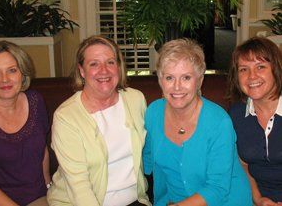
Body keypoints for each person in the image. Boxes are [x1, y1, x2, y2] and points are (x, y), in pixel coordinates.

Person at [143, 38, 252, 206]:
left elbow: (218, 188)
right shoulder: (153, 113)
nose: (177, 87)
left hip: (223, 201)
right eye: (169, 77)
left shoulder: (219, 122)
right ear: (160, 80)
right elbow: (145, 161)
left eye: (186, 77)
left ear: (199, 81)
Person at [47, 35, 151, 206]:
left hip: (135, 200)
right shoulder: (66, 117)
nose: (104, 70)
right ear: (81, 70)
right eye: (94, 64)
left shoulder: (135, 99)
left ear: (118, 66)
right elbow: (79, 187)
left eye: (110, 62)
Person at [0, 41, 51, 206]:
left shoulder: (35, 101)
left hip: (39, 197)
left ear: (22, 73)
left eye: (12, 70)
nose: (5, 80)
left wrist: (49, 188)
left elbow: (42, 150)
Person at [227, 37, 282, 206]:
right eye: (244, 69)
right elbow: (242, 164)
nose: (252, 76)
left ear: (277, 70)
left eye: (260, 67)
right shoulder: (236, 115)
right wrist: (258, 198)